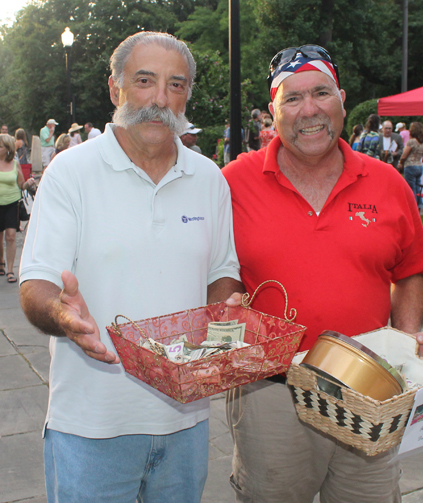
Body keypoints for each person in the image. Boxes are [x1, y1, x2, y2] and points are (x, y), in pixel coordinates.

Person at [19, 31, 242, 503]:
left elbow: (222, 272)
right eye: (145, 80)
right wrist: (63, 316)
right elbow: (35, 283)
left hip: (186, 422)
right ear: (115, 88)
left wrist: (225, 314)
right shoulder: (70, 173)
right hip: (92, 427)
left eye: (176, 84)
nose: (160, 99)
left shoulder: (209, 179)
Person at [223, 44, 423, 503]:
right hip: (271, 394)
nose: (309, 109)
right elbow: (212, 267)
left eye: (320, 92)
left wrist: (408, 335)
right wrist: (224, 302)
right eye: (292, 98)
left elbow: (413, 271)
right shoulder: (233, 182)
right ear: (272, 112)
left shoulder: (387, 182)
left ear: (341, 99)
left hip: (369, 388)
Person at [0, 134, 35, 283]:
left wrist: (28, 183)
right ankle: (1, 263)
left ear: (7, 149)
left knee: (11, 236)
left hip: (12, 203)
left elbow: (21, 184)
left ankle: (10, 270)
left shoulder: (15, 164)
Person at [397, 122, 423, 206]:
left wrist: (401, 162)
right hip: (419, 166)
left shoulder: (411, 142)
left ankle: (412, 206)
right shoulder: (422, 142)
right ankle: (419, 204)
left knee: (410, 188)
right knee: (417, 187)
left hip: (410, 165)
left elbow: (404, 155)